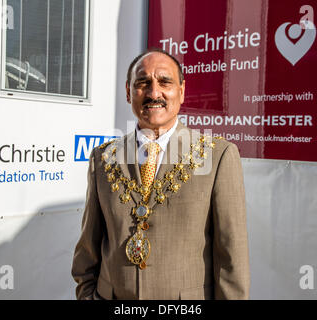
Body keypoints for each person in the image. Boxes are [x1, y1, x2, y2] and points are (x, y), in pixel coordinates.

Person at [71, 49, 249, 300]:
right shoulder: (104, 157)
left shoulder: (218, 156)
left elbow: (232, 258)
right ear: (127, 91)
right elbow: (88, 248)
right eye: (143, 83)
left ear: (182, 91)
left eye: (165, 82)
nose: (154, 93)